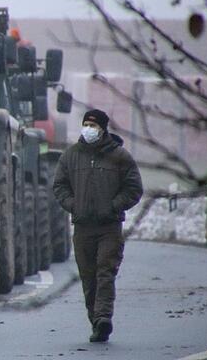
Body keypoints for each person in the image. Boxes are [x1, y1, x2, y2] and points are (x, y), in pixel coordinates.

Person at [53, 109, 143, 343]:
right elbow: (60, 186)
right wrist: (73, 205)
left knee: (105, 273)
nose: (89, 129)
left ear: (103, 129)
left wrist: (114, 206)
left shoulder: (120, 157)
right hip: (82, 227)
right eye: (86, 124)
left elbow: (133, 188)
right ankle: (95, 319)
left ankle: (103, 318)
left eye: (93, 125)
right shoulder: (70, 156)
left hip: (109, 227)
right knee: (89, 277)